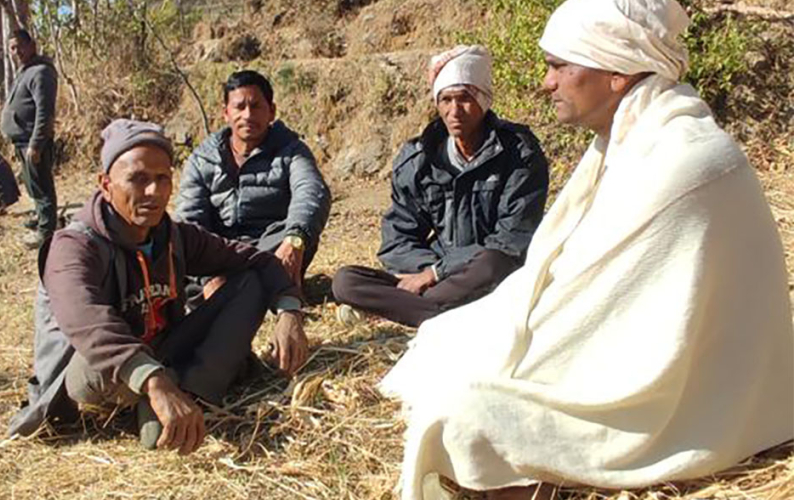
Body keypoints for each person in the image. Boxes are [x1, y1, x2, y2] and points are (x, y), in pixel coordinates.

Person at [378, 1, 794, 499]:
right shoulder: (625, 143)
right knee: (443, 338)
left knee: (462, 415)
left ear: (616, 72)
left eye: (559, 66)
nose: (546, 83)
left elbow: (584, 312)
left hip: (694, 399)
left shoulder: (683, 161)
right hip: (482, 284)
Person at [8, 119, 310, 456]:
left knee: (250, 282)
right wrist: (154, 380)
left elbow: (258, 261)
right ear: (106, 185)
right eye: (137, 179)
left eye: (162, 179)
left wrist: (289, 310)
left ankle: (193, 392)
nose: (153, 192)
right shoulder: (74, 246)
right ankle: (160, 396)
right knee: (93, 359)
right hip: (97, 374)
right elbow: (87, 321)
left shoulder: (174, 236)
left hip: (162, 352)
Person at [331, 45, 549, 328]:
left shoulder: (520, 153)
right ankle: (445, 312)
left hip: (491, 271)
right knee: (345, 281)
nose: (454, 110)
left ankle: (413, 312)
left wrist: (436, 273)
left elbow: (512, 239)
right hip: (444, 276)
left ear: (484, 100)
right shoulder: (419, 159)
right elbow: (398, 238)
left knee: (494, 263)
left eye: (465, 99)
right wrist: (428, 271)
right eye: (445, 99)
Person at [175, 69, 331, 291]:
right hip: (219, 254)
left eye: (256, 106)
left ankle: (248, 287)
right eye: (239, 107)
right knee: (174, 244)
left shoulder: (292, 150)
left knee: (297, 232)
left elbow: (312, 191)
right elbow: (190, 218)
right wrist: (208, 278)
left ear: (272, 111)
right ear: (226, 113)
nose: (247, 115)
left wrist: (295, 238)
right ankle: (248, 288)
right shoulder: (203, 158)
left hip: (272, 248)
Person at [0, 28, 58, 248]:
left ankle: (46, 233)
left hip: (32, 142)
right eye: (12, 48)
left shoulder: (41, 72)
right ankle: (41, 219)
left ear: (32, 45)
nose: (16, 51)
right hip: (22, 141)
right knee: (33, 186)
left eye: (20, 46)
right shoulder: (25, 71)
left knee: (42, 187)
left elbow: (45, 112)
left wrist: (36, 144)